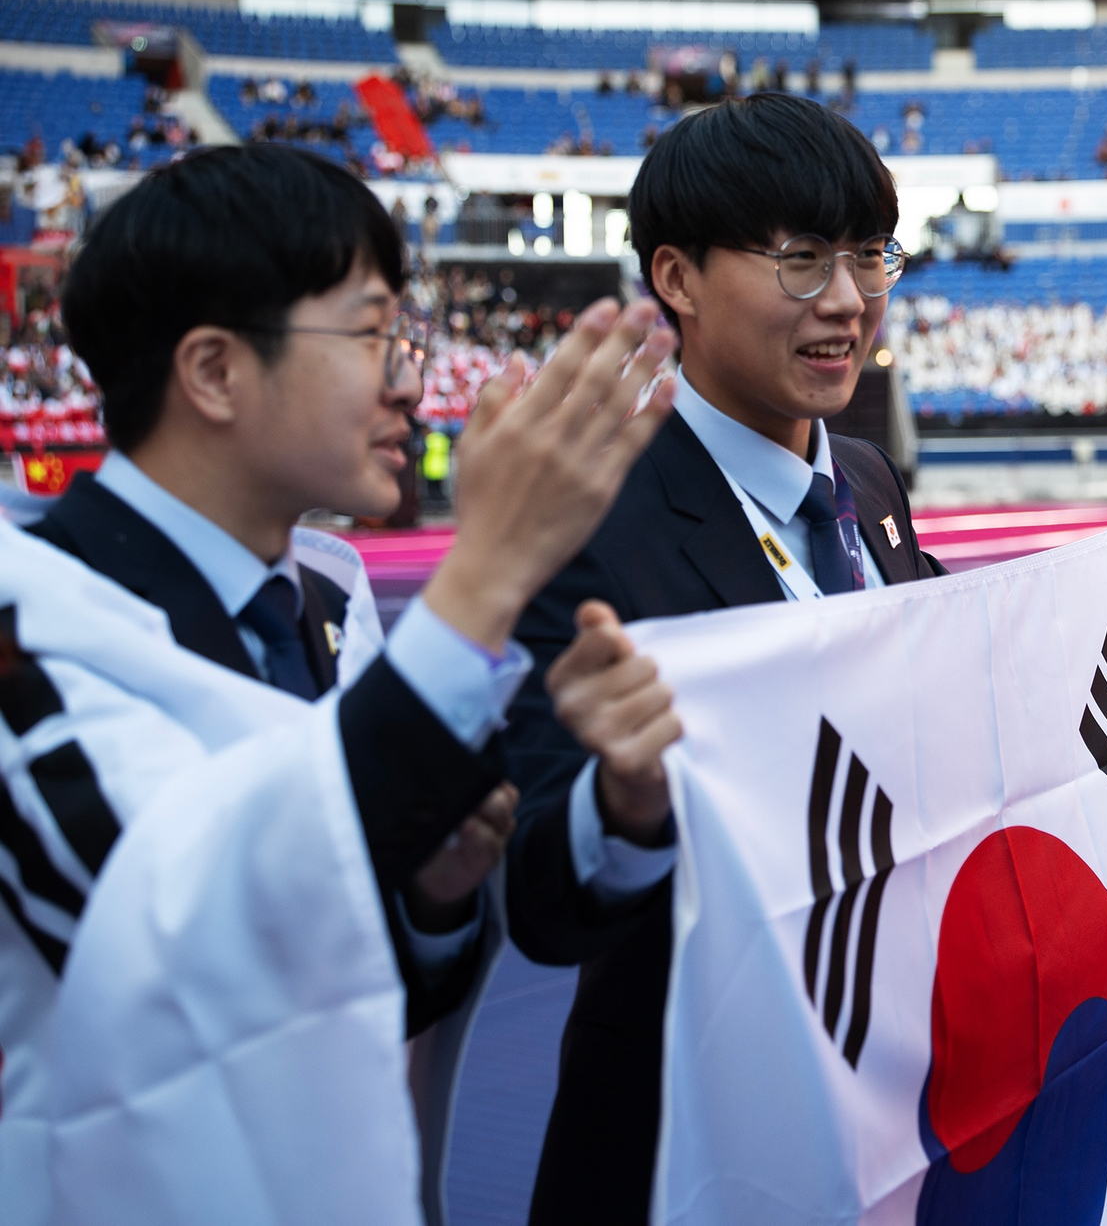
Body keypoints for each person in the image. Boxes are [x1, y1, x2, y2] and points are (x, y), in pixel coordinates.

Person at [499, 92, 1107, 1225]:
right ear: (675, 277)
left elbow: (942, 710)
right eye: (797, 260)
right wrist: (624, 803)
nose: (846, 301)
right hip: (688, 1149)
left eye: (870, 255)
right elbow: (537, 895)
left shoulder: (868, 483)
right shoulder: (584, 519)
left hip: (900, 1121)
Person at [0, 143, 681, 1218]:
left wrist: (443, 884)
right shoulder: (20, 616)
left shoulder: (327, 594)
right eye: (371, 333)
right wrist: (490, 569)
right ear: (215, 371)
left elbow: (383, 977)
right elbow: (182, 941)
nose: (411, 379)